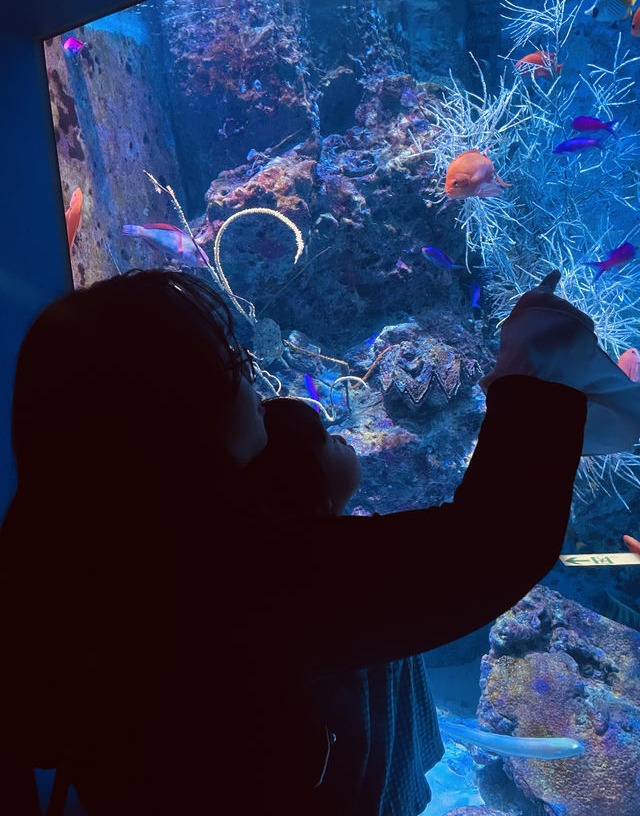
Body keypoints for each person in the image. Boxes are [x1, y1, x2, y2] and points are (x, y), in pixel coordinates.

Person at [0, 268, 588, 816]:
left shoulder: (63, 550)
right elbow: (496, 544)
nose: (255, 385)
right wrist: (529, 369)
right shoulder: (224, 581)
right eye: (234, 364)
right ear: (173, 412)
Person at [247, 396, 443, 816]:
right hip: (355, 780)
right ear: (303, 475)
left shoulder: (289, 555)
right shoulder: (345, 560)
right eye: (326, 438)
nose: (341, 437)